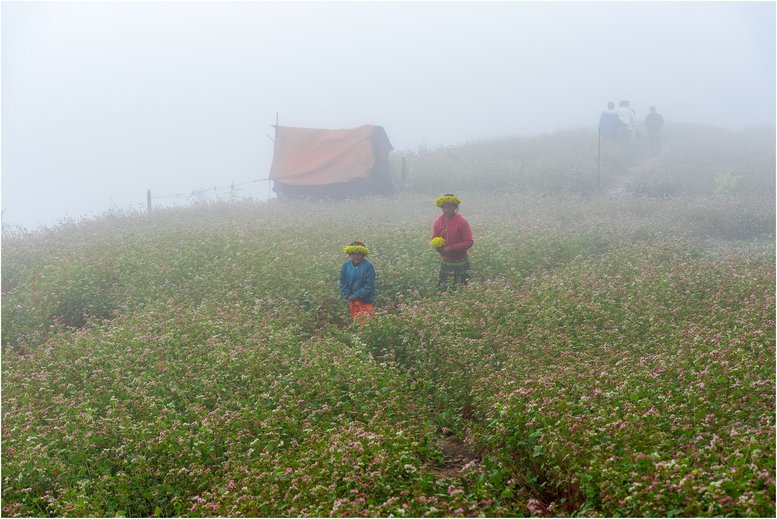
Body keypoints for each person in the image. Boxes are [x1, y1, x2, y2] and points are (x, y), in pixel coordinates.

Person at [432, 194, 474, 288]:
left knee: (462, 288)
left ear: (455, 207)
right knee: (444, 288)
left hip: (460, 260)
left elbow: (469, 241)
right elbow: (434, 238)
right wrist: (438, 248)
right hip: (446, 261)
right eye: (444, 207)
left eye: (449, 207)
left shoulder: (461, 222)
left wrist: (449, 249)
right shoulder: (438, 222)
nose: (446, 210)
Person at [339, 241, 376, 326]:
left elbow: (369, 285)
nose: (356, 256)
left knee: (367, 323)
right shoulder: (346, 266)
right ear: (349, 254)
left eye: (359, 254)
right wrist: (348, 295)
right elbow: (342, 282)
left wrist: (356, 295)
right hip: (352, 301)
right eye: (353, 254)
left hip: (366, 300)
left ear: (363, 254)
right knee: (356, 323)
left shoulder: (368, 266)